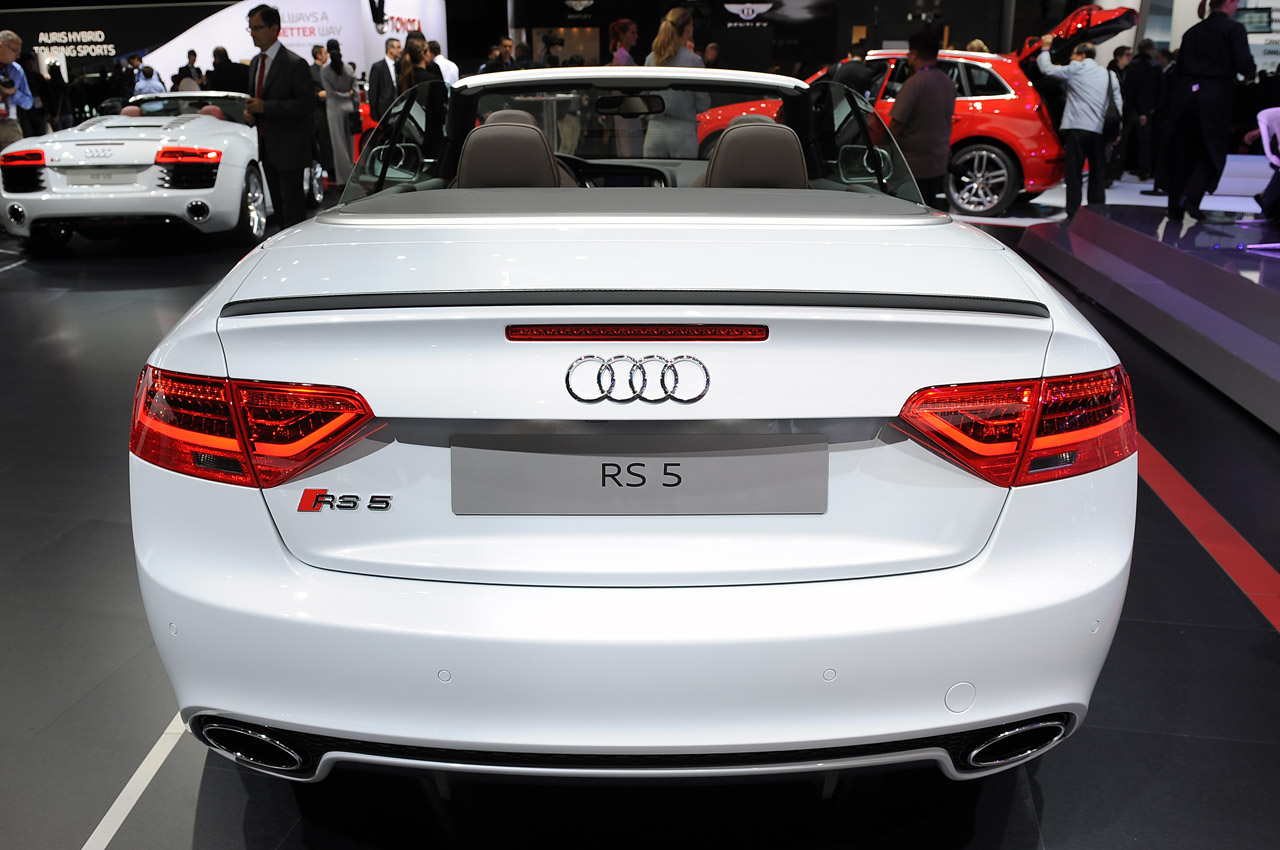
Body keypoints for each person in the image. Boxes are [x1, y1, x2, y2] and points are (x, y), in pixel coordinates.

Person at [1166, 0, 1255, 221]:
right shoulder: (1234, 29)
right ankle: (1191, 196)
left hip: (1186, 96)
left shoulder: (1192, 32)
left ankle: (1175, 203)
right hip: (1215, 97)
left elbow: (1180, 70)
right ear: (1229, 3)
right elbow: (1245, 65)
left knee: (1183, 151)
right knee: (1212, 150)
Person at [244, 3, 314, 228]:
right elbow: (257, 101)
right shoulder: (256, 63)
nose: (253, 33)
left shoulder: (295, 64)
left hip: (290, 148)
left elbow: (306, 104)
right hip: (267, 147)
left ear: (274, 29)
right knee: (280, 213)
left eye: (257, 28)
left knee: (293, 213)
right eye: (250, 28)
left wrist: (266, 107)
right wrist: (251, 115)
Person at [1037, 36, 1122, 219]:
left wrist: (1045, 49)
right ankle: (1096, 212)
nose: (1071, 57)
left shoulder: (1077, 68)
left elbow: (1047, 69)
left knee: (1074, 173)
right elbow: (1118, 104)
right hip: (1100, 131)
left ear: (1082, 56)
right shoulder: (1109, 74)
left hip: (1078, 128)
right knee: (1097, 173)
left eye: (1074, 54)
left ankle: (1073, 213)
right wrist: (1118, 130)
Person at [888, 30, 956, 211]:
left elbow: (896, 125)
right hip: (938, 163)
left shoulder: (914, 84)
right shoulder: (948, 83)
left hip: (913, 167)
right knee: (929, 210)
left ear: (914, 54)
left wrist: (881, 150)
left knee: (909, 213)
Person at [643, 7, 708, 158]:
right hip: (683, 130)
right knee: (683, 173)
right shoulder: (694, 61)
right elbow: (703, 102)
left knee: (653, 173)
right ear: (688, 28)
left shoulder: (651, 59)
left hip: (655, 130)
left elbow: (644, 95)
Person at [1116, 39, 1163, 181]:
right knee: (1145, 143)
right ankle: (1144, 170)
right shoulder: (1155, 67)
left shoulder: (1131, 66)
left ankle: (1117, 169)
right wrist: (1154, 107)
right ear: (1151, 49)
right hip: (1147, 108)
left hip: (1129, 107)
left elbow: (1128, 89)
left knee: (1123, 140)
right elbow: (1161, 90)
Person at [321, 38, 356, 187]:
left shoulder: (325, 71)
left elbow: (330, 92)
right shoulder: (349, 68)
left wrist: (344, 95)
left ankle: (343, 179)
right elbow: (355, 91)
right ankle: (351, 176)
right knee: (350, 144)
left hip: (335, 109)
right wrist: (352, 101)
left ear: (328, 51)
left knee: (339, 145)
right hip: (349, 107)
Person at [610, 18, 642, 156]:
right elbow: (627, 86)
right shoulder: (624, 57)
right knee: (630, 151)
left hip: (624, 111)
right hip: (627, 111)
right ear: (622, 35)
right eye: (632, 33)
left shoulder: (621, 55)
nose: (636, 36)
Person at [0, 31, 33, 147]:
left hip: (10, 125)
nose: (18, 56)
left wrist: (14, 92)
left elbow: (28, 103)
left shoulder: (17, 70)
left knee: (16, 155)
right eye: (15, 51)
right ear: (1, 45)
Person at [367, 37, 400, 121]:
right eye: (398, 47)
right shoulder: (378, 67)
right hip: (384, 112)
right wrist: (374, 113)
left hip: (399, 110)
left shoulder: (400, 66)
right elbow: (373, 91)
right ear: (390, 49)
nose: (401, 50)